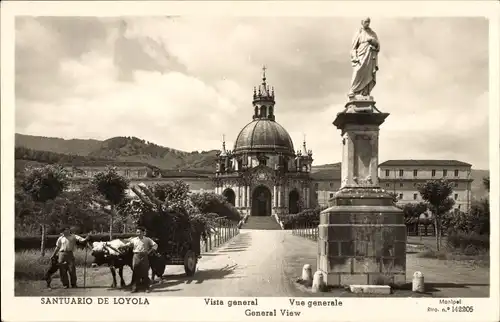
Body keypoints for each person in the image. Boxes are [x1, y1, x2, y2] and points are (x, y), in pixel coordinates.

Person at [349, 17, 380, 98]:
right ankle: (354, 90)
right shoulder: (358, 33)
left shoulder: (373, 33)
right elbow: (353, 48)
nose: (367, 23)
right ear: (362, 22)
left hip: (370, 57)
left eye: (369, 22)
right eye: (366, 22)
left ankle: (365, 92)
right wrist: (355, 57)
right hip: (361, 56)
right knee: (357, 71)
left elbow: (378, 46)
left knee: (368, 74)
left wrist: (373, 42)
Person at [120, 227, 158, 293]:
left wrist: (150, 251)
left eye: (139, 232)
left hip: (144, 256)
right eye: (137, 232)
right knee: (135, 272)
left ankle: (147, 288)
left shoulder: (147, 239)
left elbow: (155, 245)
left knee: (145, 272)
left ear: (143, 232)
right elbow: (129, 245)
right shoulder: (134, 240)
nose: (138, 233)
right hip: (136, 256)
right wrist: (123, 246)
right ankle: (134, 288)